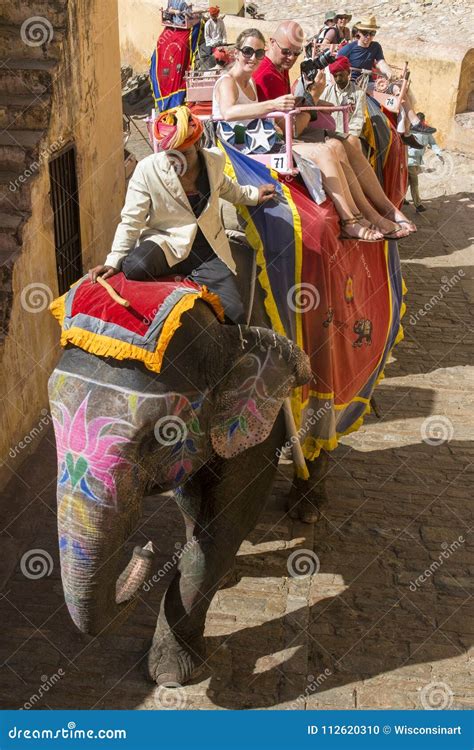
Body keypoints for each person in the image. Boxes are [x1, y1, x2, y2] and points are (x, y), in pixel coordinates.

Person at [214, 26, 411, 241]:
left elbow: (278, 115)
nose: (253, 58)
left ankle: (370, 213)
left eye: (258, 54)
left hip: (261, 136)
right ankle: (351, 220)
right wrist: (297, 101)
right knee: (327, 150)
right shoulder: (231, 81)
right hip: (248, 142)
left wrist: (306, 101)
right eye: (247, 52)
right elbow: (229, 112)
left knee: (344, 143)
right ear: (236, 52)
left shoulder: (251, 80)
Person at [88, 106, 276, 324]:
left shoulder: (214, 161)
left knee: (234, 312)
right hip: (167, 243)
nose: (177, 161)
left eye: (184, 153)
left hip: (207, 249)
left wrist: (253, 195)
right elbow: (132, 219)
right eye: (171, 155)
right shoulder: (147, 170)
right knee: (135, 266)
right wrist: (113, 261)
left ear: (197, 145)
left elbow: (227, 188)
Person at [338, 17, 436, 136]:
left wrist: (390, 73)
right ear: (358, 32)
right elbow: (337, 65)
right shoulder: (349, 49)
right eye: (365, 33)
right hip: (354, 84)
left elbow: (380, 62)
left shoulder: (375, 46)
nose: (369, 37)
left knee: (398, 89)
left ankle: (414, 123)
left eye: (372, 33)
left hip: (369, 83)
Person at [320, 55, 366, 141]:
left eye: (341, 75)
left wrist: (348, 138)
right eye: (335, 76)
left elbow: (358, 119)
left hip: (349, 137)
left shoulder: (359, 93)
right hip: (328, 136)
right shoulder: (326, 91)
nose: (338, 79)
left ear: (348, 72)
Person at [406, 113, 444, 213]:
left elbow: (433, 143)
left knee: (408, 181)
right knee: (414, 182)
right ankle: (418, 205)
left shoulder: (427, 132)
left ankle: (400, 199)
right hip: (408, 160)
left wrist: (438, 153)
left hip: (417, 161)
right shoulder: (409, 131)